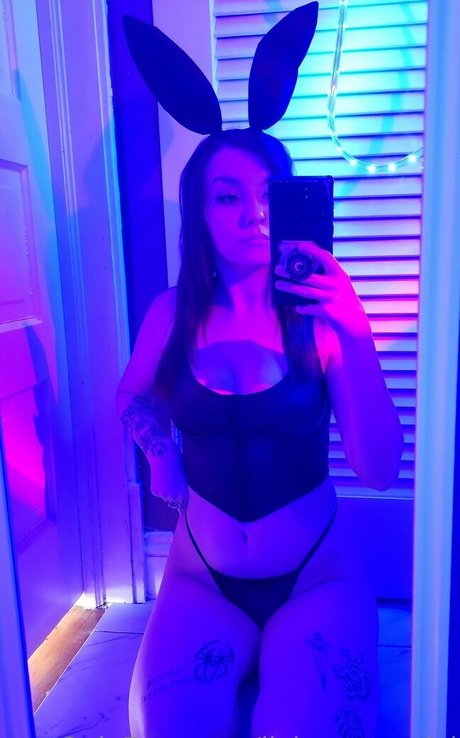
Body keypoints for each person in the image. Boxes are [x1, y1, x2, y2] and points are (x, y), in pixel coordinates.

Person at [116, 127, 404, 738]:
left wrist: (354, 330)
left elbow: (379, 470)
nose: (255, 214)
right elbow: (132, 395)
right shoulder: (170, 315)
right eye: (228, 197)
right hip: (201, 578)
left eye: (269, 194)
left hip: (315, 577)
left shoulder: (319, 321)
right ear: (199, 213)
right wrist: (160, 451)